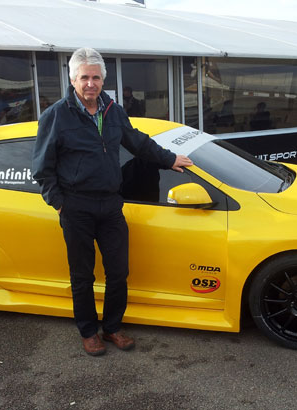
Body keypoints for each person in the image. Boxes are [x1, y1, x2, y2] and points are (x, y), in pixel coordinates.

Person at [32, 47, 193, 356]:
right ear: (73, 79)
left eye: (95, 77)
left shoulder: (113, 110)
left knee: (118, 272)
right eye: (84, 77)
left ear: (103, 79)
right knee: (83, 275)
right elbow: (42, 167)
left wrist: (169, 158)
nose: (90, 83)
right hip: (76, 207)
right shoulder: (56, 116)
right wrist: (59, 202)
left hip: (110, 205)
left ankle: (113, 327)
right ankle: (89, 332)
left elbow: (137, 142)